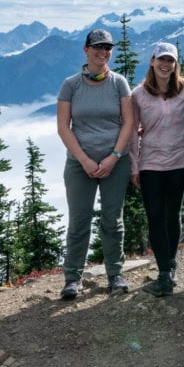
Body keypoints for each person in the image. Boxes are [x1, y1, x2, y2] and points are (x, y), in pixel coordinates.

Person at [56, 29, 135, 299]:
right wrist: (85, 160)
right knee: (79, 220)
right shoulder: (70, 85)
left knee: (113, 220)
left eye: (107, 47)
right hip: (80, 163)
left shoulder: (119, 83)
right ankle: (72, 278)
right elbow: (63, 128)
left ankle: (116, 274)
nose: (103, 52)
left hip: (116, 161)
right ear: (86, 50)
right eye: (97, 47)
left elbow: (129, 123)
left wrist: (114, 157)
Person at [129, 42, 184, 297]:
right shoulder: (139, 94)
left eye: (171, 60)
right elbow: (134, 133)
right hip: (151, 163)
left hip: (179, 160)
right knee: (155, 216)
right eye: (161, 60)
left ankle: (171, 263)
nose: (166, 65)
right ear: (152, 61)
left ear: (175, 64)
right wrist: (133, 167)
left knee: (172, 214)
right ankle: (164, 271)